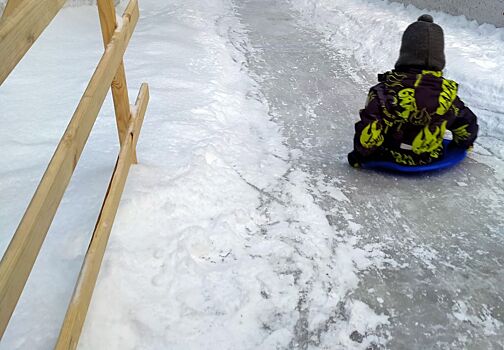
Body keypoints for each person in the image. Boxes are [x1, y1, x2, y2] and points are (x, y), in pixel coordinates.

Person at [348, 14, 478, 168]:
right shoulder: (446, 95)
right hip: (429, 157)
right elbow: (466, 124)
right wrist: (463, 145)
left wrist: (359, 156)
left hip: (389, 155)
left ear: (405, 52)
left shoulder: (386, 91)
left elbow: (369, 131)